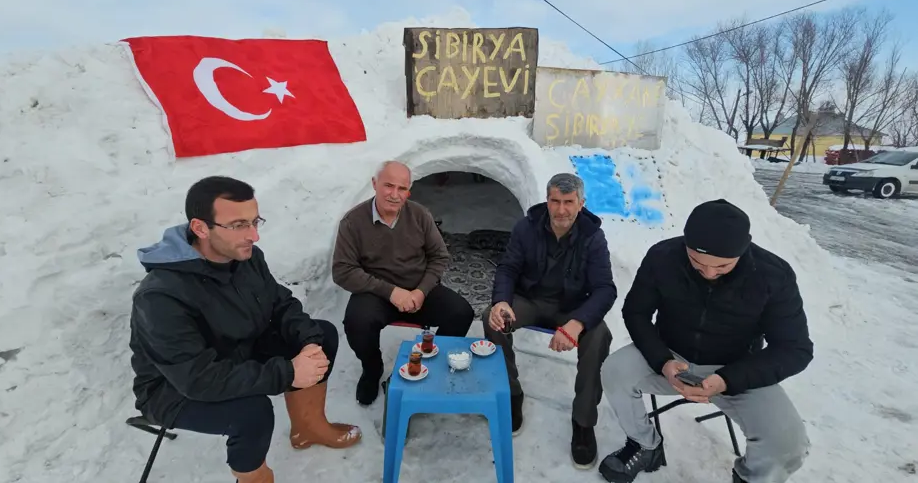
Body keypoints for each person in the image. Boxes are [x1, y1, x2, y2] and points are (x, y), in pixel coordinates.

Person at [129, 176, 361, 483]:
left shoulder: (245, 256)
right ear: (200, 228)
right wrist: (288, 372)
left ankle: (309, 427)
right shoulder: (161, 295)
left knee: (322, 335)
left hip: (238, 350)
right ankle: (255, 478)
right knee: (252, 413)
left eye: (255, 222)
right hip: (175, 388)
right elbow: (197, 379)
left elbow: (279, 303)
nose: (254, 235)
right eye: (239, 225)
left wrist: (307, 343)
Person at [597, 199, 812, 483]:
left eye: (722, 266)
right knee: (614, 371)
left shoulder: (773, 275)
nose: (709, 273)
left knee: (788, 444)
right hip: (671, 356)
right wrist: (662, 361)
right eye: (697, 263)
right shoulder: (663, 257)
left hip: (736, 371)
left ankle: (750, 477)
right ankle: (645, 445)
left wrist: (727, 379)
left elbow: (795, 349)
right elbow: (636, 312)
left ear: (743, 249)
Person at [482, 172, 617, 470]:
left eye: (568, 202)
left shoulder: (593, 236)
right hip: (530, 300)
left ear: (581, 204)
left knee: (599, 335)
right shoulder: (526, 227)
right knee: (491, 319)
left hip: (572, 307)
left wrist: (577, 323)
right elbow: (508, 268)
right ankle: (511, 392)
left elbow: (605, 288)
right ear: (547, 199)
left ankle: (583, 421)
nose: (561, 210)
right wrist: (502, 300)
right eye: (555, 201)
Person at [332, 160, 474, 405]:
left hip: (419, 289)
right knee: (357, 322)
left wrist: (421, 291)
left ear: (409, 191)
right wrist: (391, 292)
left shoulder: (419, 215)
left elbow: (439, 256)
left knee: (461, 312)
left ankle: (426, 364)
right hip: (377, 293)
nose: (395, 195)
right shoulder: (353, 222)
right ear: (375, 184)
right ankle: (372, 368)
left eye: (402, 188)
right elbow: (342, 270)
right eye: (388, 186)